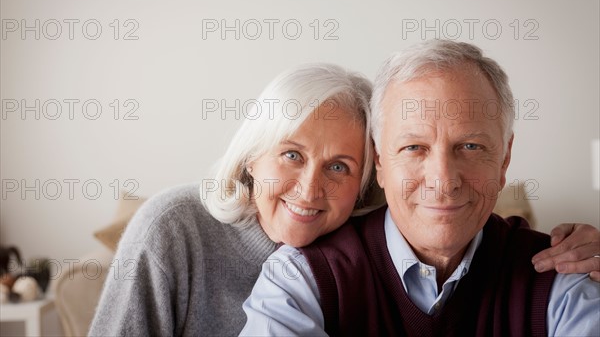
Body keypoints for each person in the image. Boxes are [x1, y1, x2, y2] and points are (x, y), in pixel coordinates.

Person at [90, 62, 598, 336]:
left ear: (367, 177)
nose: (311, 188)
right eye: (290, 155)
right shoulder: (174, 228)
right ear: (251, 157)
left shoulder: (375, 234)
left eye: (339, 167)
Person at [241, 40, 600, 336]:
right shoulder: (301, 280)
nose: (443, 181)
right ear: (379, 161)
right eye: (414, 148)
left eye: (471, 147)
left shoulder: (563, 280)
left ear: (504, 160)